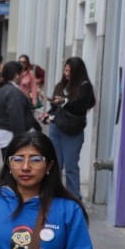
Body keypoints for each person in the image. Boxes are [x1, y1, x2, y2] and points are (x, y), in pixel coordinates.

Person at [47, 56, 96, 197]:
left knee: (71, 166)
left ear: (77, 72)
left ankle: (74, 197)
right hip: (56, 127)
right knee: (56, 165)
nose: (66, 73)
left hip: (73, 130)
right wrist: (48, 115)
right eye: (65, 70)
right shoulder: (61, 85)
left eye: (69, 71)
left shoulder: (84, 86)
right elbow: (54, 108)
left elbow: (81, 106)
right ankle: (53, 195)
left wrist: (64, 101)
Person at [0, 60, 36, 155]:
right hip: (10, 134)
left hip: (3, 133)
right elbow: (16, 116)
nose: (23, 76)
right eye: (22, 73)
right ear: (16, 75)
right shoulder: (13, 92)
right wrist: (21, 140)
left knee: (9, 163)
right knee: (13, 166)